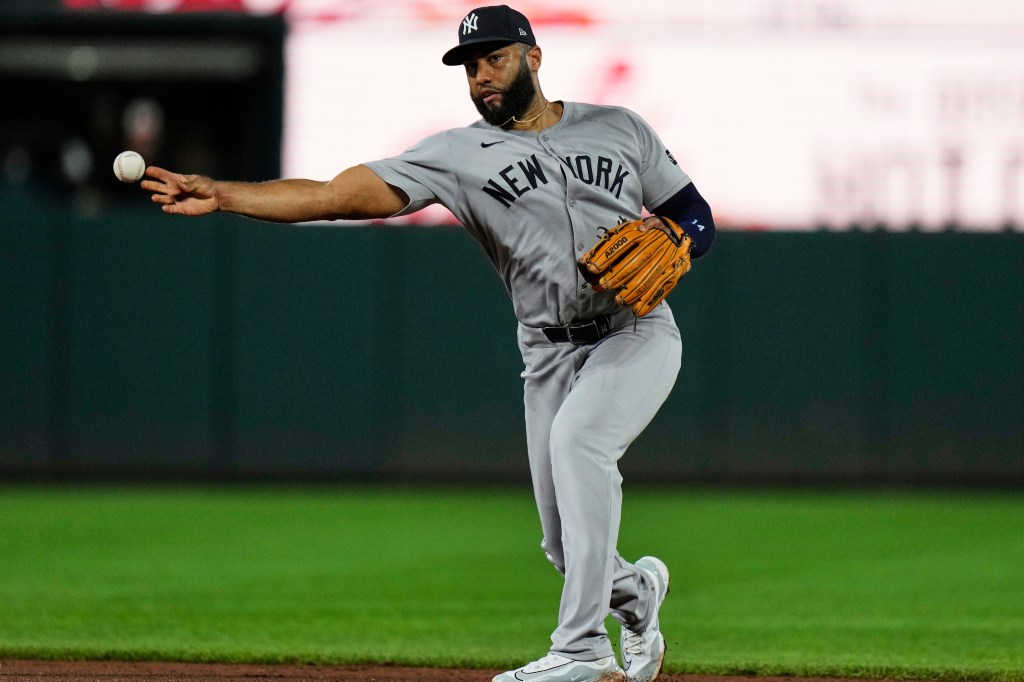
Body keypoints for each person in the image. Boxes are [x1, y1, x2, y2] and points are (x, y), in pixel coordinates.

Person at [142, 5, 715, 681]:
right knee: (564, 544)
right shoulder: (456, 154)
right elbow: (335, 195)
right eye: (471, 67)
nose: (481, 77)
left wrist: (681, 239)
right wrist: (230, 194)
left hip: (635, 330)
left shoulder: (619, 127)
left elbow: (692, 213)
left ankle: (582, 652)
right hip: (549, 351)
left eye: (494, 59)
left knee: (579, 442)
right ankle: (636, 594)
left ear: (533, 57)